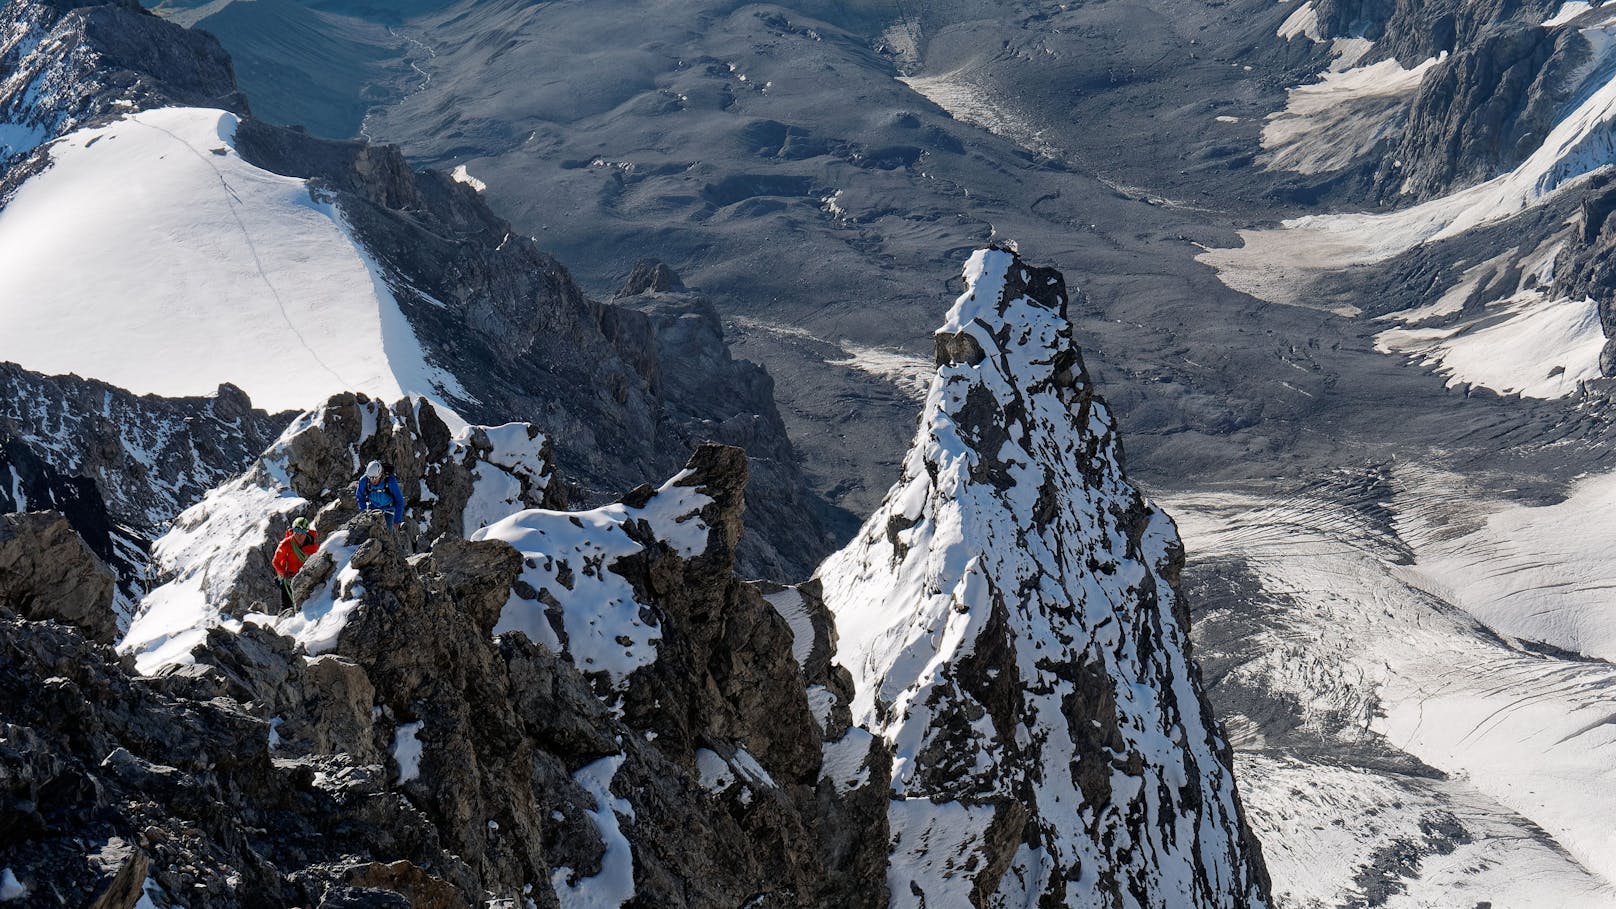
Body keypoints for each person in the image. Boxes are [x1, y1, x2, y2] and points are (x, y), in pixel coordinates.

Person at [272, 516, 320, 610]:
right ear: (293, 532)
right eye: (296, 533)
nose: (299, 536)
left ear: (306, 533)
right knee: (286, 606)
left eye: (302, 534)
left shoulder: (313, 544)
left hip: (307, 577)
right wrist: (283, 574)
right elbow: (276, 561)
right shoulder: (286, 544)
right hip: (289, 578)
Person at [357, 460, 405, 529]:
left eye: (375, 477)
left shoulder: (390, 481)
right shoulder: (364, 480)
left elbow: (399, 500)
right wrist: (363, 511)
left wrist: (397, 521)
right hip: (373, 509)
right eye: (370, 478)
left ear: (380, 474)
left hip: (389, 509)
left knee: (388, 532)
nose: (373, 480)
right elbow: (360, 496)